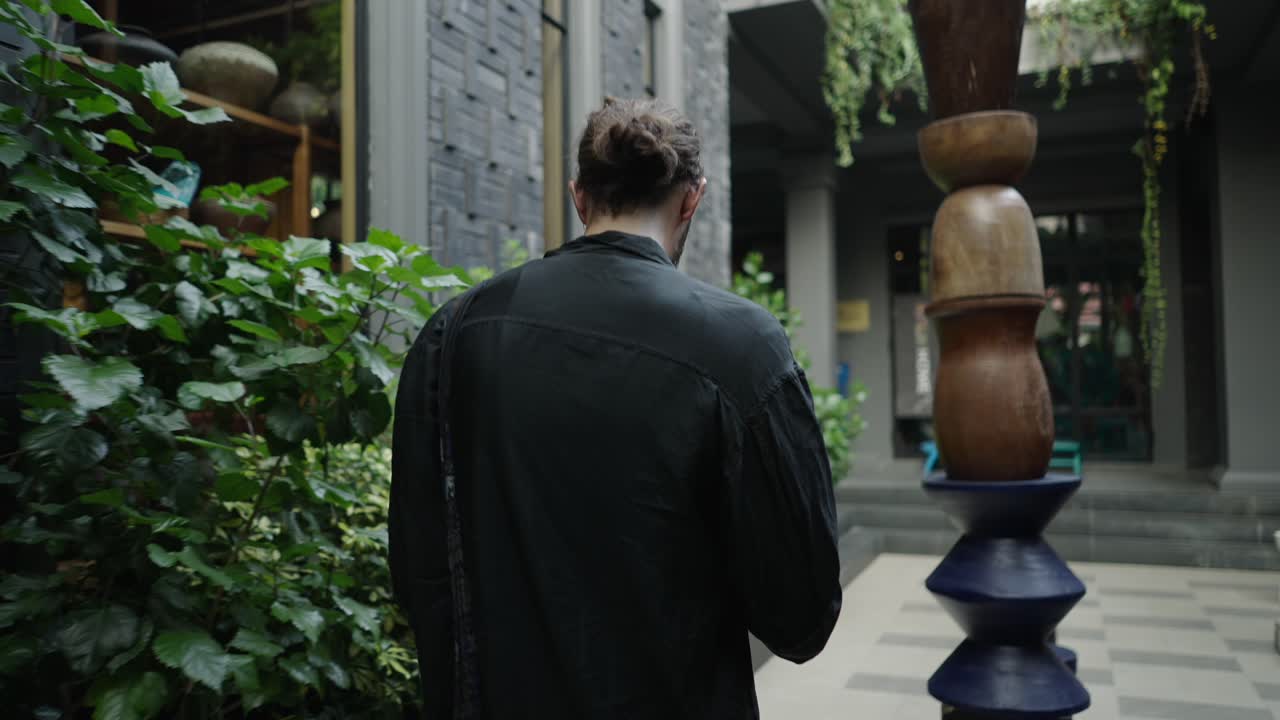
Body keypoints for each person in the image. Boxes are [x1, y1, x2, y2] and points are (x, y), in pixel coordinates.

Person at [390, 97, 841, 719]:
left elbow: (419, 567)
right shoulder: (741, 345)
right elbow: (801, 617)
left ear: (579, 196)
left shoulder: (457, 331)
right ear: (693, 200)